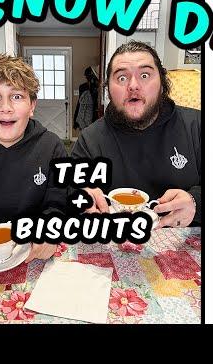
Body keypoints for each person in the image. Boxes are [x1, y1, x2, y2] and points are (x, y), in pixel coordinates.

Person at [71, 41, 201, 227]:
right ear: (108, 89)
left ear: (162, 84)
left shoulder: (197, 126)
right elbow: (69, 193)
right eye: (122, 78)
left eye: (145, 75)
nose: (133, 85)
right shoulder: (90, 139)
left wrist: (197, 202)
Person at [0, 54, 67, 267]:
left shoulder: (52, 146)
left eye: (17, 96)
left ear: (32, 105)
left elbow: (58, 203)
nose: (6, 107)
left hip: (36, 252)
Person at [73, 66, 99, 131]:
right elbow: (79, 104)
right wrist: (76, 119)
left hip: (93, 116)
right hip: (84, 116)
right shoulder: (83, 87)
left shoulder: (96, 88)